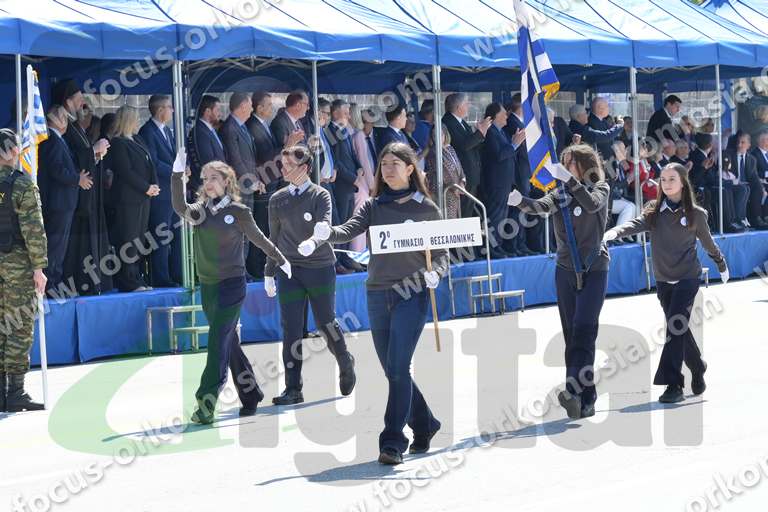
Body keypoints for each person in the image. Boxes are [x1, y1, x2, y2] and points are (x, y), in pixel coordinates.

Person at [299, 142, 447, 465]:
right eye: (384, 164)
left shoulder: (426, 209)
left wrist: (435, 272)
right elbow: (349, 229)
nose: (388, 169)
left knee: (398, 367)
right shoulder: (373, 206)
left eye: (395, 163)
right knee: (392, 370)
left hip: (412, 294)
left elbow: (442, 254)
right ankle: (424, 423)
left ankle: (392, 441)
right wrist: (327, 233)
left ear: (410, 169)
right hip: (378, 293)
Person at [171, 150, 290, 424]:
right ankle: (251, 393)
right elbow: (179, 207)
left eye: (214, 178)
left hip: (232, 287)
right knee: (229, 343)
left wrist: (280, 261)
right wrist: (177, 175)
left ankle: (205, 404)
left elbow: (260, 239)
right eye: (205, 179)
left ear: (227, 181)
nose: (208, 183)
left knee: (216, 343)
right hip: (208, 287)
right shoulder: (200, 212)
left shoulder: (239, 211)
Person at [604, 163, 728, 403]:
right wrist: (614, 232)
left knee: (674, 327)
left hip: (687, 278)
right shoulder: (654, 211)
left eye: (672, 179)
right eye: (663, 179)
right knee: (678, 327)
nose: (667, 183)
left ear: (683, 183)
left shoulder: (696, 214)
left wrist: (721, 264)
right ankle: (697, 365)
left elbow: (708, 243)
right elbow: (634, 224)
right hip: (664, 279)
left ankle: (673, 384)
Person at [508, 144, 611, 420]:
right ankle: (584, 396)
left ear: (584, 165)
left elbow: (592, 204)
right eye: (562, 162)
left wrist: (571, 182)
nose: (563, 167)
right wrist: (519, 200)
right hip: (565, 268)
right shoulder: (560, 193)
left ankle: (574, 392)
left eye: (569, 162)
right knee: (571, 334)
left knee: (584, 330)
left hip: (593, 267)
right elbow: (541, 206)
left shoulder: (600, 187)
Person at [264, 145, 357, 406]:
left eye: (289, 166)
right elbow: (273, 237)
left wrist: (313, 243)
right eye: (282, 165)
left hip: (319, 267)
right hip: (289, 270)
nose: (283, 170)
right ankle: (293, 388)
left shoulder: (320, 194)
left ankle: (345, 361)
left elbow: (324, 225)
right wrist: (269, 272)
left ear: (304, 168)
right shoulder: (277, 199)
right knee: (291, 328)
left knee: (326, 322)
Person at [0, 128, 48, 412]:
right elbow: (34, 230)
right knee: (18, 325)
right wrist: (39, 267)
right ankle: (15, 392)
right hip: (16, 264)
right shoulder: (21, 185)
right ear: (12, 151)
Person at [53, 79, 112, 295]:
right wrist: (93, 150)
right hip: (71, 198)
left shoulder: (74, 125)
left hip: (82, 195)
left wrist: (95, 154)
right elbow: (71, 160)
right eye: (78, 98)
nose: (82, 103)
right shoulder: (65, 129)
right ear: (68, 101)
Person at [37, 105, 92, 292]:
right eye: (64, 117)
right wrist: (77, 179)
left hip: (63, 204)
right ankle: (50, 286)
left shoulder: (58, 140)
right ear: (57, 120)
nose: (67, 121)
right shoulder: (51, 140)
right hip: (58, 204)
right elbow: (57, 169)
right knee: (55, 247)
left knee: (59, 248)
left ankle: (53, 283)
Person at [108, 106, 159, 292]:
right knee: (128, 239)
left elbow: (149, 163)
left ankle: (137, 277)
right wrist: (146, 187)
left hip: (143, 198)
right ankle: (127, 281)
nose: (138, 122)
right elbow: (125, 171)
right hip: (128, 200)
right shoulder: (118, 143)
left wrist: (154, 185)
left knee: (139, 239)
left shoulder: (137, 140)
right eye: (136, 118)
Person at [138, 94, 181, 288]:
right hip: (160, 194)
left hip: (173, 193)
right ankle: (160, 278)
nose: (172, 110)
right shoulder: (147, 131)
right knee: (161, 237)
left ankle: (177, 274)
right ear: (160, 109)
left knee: (177, 235)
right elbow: (153, 162)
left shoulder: (167, 131)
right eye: (169, 107)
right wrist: (175, 170)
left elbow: (172, 158)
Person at [480, 102, 526, 258]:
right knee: (494, 218)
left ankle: (497, 247)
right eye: (503, 113)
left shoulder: (501, 132)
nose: (507, 116)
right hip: (496, 184)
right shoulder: (491, 132)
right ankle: (490, 249)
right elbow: (499, 155)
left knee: (501, 217)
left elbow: (507, 154)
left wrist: (513, 143)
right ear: (495, 116)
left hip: (505, 183)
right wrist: (514, 144)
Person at [442, 93, 490, 218]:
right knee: (463, 212)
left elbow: (473, 145)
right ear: (458, 107)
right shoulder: (448, 122)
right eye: (466, 103)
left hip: (471, 174)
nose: (469, 106)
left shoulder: (461, 122)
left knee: (469, 210)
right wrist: (480, 132)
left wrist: (481, 134)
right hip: (460, 176)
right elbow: (463, 145)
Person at [187, 95, 226, 198]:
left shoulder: (210, 130)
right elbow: (208, 162)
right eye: (217, 110)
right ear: (208, 111)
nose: (220, 113)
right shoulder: (200, 132)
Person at [424, 123, 466, 220]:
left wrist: (462, 182)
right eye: (434, 135)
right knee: (447, 220)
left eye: (440, 134)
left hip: (455, 190)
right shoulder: (433, 152)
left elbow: (459, 167)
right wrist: (455, 188)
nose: (437, 138)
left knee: (455, 219)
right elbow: (444, 172)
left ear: (445, 135)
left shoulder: (450, 148)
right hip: (443, 192)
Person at [349, 106, 377, 252]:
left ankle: (357, 253)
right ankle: (358, 253)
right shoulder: (358, 135)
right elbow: (364, 162)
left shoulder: (351, 134)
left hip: (358, 183)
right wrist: (372, 185)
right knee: (360, 220)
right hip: (363, 184)